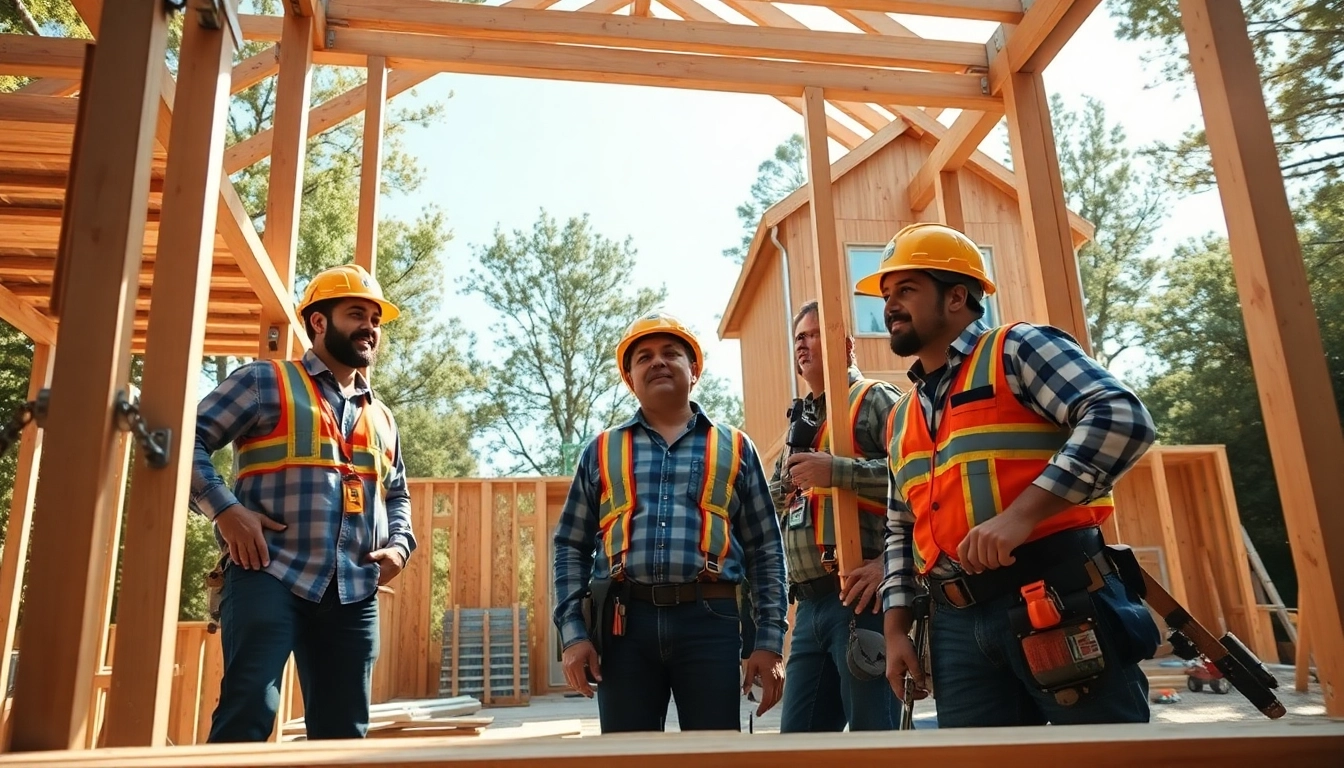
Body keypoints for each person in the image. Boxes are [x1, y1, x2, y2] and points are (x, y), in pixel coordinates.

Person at [858, 223, 1162, 728]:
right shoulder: (901, 416)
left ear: (957, 296)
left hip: (1055, 597)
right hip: (954, 625)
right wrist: (895, 632)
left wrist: (1021, 517)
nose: (890, 305)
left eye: (906, 289)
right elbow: (898, 530)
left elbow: (1121, 417)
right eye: (887, 295)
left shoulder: (1017, 349)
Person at [190, 263, 415, 742]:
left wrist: (399, 546)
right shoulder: (263, 381)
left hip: (354, 590)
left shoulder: (382, 417)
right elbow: (186, 439)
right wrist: (225, 510)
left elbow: (397, 494)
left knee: (344, 734)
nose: (370, 329)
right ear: (319, 322)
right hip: (268, 573)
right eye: (357, 314)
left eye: (376, 320)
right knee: (249, 709)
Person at [552, 311, 789, 733]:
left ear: (693, 370)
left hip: (710, 620)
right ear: (630, 378)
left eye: (670, 353)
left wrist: (769, 641)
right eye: (643, 357)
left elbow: (767, 550)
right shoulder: (602, 450)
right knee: (628, 759)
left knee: (714, 756)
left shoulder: (735, 447)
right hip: (623, 626)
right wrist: (574, 633)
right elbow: (570, 544)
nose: (657, 361)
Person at [767, 300, 902, 732]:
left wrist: (837, 472)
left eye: (813, 334)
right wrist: (786, 483)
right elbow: (774, 502)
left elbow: (923, 480)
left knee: (873, 738)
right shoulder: (801, 424)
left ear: (845, 345)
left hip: (863, 598)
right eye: (798, 338)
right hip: (808, 609)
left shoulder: (876, 400)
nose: (803, 345)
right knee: (799, 744)